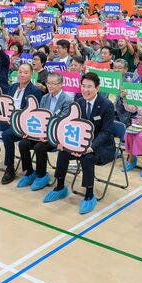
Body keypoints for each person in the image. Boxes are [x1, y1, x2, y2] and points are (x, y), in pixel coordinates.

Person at [42, 72, 115, 215]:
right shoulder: (79, 102)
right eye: (83, 86)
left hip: (101, 146)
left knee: (87, 157)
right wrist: (63, 141)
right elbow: (70, 124)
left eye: (89, 86)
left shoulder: (106, 105)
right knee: (63, 151)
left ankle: (89, 195)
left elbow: (105, 132)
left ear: (97, 88)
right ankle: (60, 187)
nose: (85, 89)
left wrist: (90, 147)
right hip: (79, 142)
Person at [17, 72, 74, 189]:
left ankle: (42, 175)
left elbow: (62, 123)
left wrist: (47, 135)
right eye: (48, 83)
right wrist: (30, 132)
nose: (50, 86)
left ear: (61, 84)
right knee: (23, 143)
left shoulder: (67, 100)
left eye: (53, 83)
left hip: (56, 135)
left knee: (39, 147)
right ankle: (29, 172)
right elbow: (39, 117)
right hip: (41, 132)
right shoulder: (45, 97)